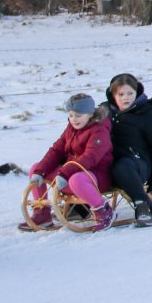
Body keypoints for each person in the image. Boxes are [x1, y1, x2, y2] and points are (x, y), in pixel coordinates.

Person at [21, 94, 114, 232]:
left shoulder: (99, 130)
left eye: (78, 115)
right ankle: (42, 213)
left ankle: (103, 211)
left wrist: (65, 173)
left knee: (76, 180)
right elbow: (56, 150)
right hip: (70, 173)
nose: (74, 119)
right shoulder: (71, 128)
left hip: (96, 175)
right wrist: (40, 171)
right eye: (70, 115)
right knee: (36, 168)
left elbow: (90, 158)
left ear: (90, 114)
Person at [105, 73, 152, 228]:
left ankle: (143, 206)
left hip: (137, 165)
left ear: (137, 93)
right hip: (108, 163)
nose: (125, 98)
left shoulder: (147, 113)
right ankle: (82, 206)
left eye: (130, 93)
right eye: (121, 94)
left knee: (122, 165)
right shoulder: (104, 112)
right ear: (113, 95)